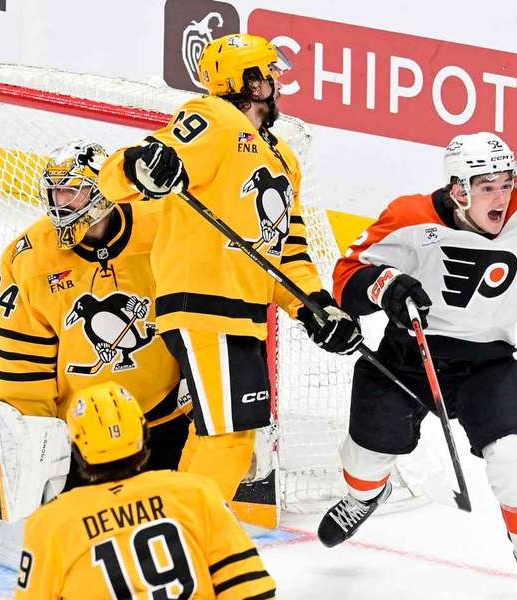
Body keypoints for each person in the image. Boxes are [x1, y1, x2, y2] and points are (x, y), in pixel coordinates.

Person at [316, 37, 517, 600]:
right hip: (409, 354)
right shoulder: (410, 217)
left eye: (505, 182)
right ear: (458, 189)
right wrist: (387, 285)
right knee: (367, 453)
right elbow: (347, 276)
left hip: (486, 362)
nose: (501, 196)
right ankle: (363, 497)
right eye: (486, 187)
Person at [97, 33, 362, 525]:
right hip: (204, 304)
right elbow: (125, 171)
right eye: (268, 73)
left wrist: (315, 306)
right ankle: (186, 540)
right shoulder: (214, 117)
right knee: (230, 433)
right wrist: (143, 167)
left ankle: (176, 533)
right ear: (246, 82)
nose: (276, 81)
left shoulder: (282, 157)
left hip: (242, 313)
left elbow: (287, 252)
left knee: (225, 434)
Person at [0, 140, 191, 568]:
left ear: (104, 193)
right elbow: (18, 364)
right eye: (55, 193)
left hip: (165, 417)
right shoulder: (29, 257)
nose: (60, 205)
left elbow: (203, 313)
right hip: (84, 435)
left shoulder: (163, 227)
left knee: (173, 535)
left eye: (72, 192)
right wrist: (33, 447)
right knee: (71, 549)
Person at [16, 381, 277, 600]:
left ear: (77, 451)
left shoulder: (52, 522)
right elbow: (250, 588)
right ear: (143, 435)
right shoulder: (197, 494)